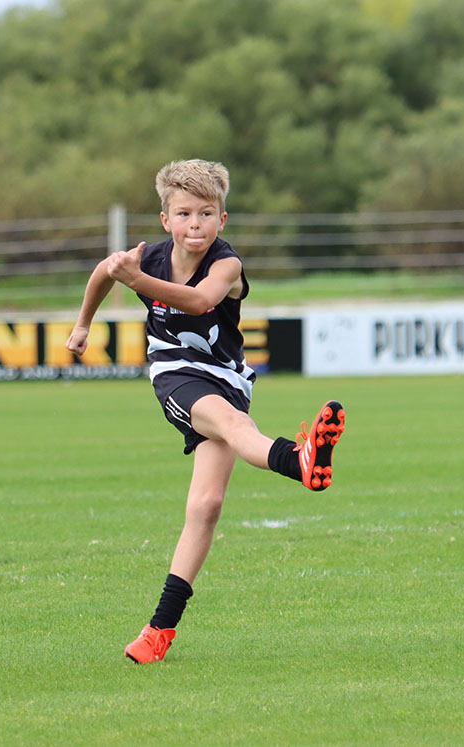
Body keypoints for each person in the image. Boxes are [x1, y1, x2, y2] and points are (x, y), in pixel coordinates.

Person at [65, 159, 345, 663]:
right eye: (184, 214)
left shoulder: (226, 265)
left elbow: (198, 302)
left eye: (206, 214)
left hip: (227, 376)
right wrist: (84, 323)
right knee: (235, 425)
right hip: (174, 372)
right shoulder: (149, 257)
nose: (195, 224)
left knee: (206, 506)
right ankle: (298, 460)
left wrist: (134, 279)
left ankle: (158, 632)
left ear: (222, 219)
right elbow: (104, 273)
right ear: (165, 219)